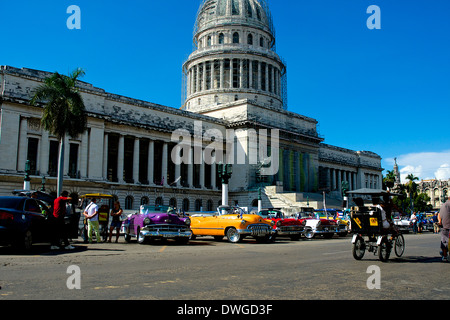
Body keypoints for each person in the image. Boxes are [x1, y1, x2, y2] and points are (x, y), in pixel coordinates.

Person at [438, 196, 450, 262]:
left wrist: (439, 221)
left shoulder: (443, 205)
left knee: (444, 241)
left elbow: (439, 215)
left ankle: (445, 256)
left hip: (444, 226)